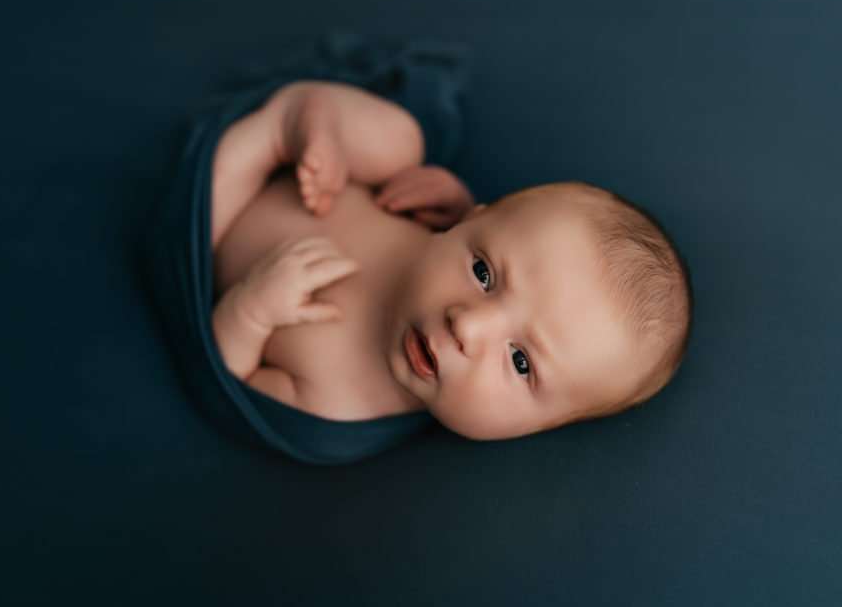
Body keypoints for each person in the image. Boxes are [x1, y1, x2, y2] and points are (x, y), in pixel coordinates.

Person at [210, 81, 693, 440]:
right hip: (322, 174)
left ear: (536, 428)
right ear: (469, 224)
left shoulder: (337, 404)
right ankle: (300, 121)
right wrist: (454, 205)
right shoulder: (442, 231)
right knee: (404, 142)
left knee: (216, 189)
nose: (468, 326)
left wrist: (250, 313)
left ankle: (269, 135)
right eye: (483, 272)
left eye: (521, 362)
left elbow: (233, 390)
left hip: (215, 224)